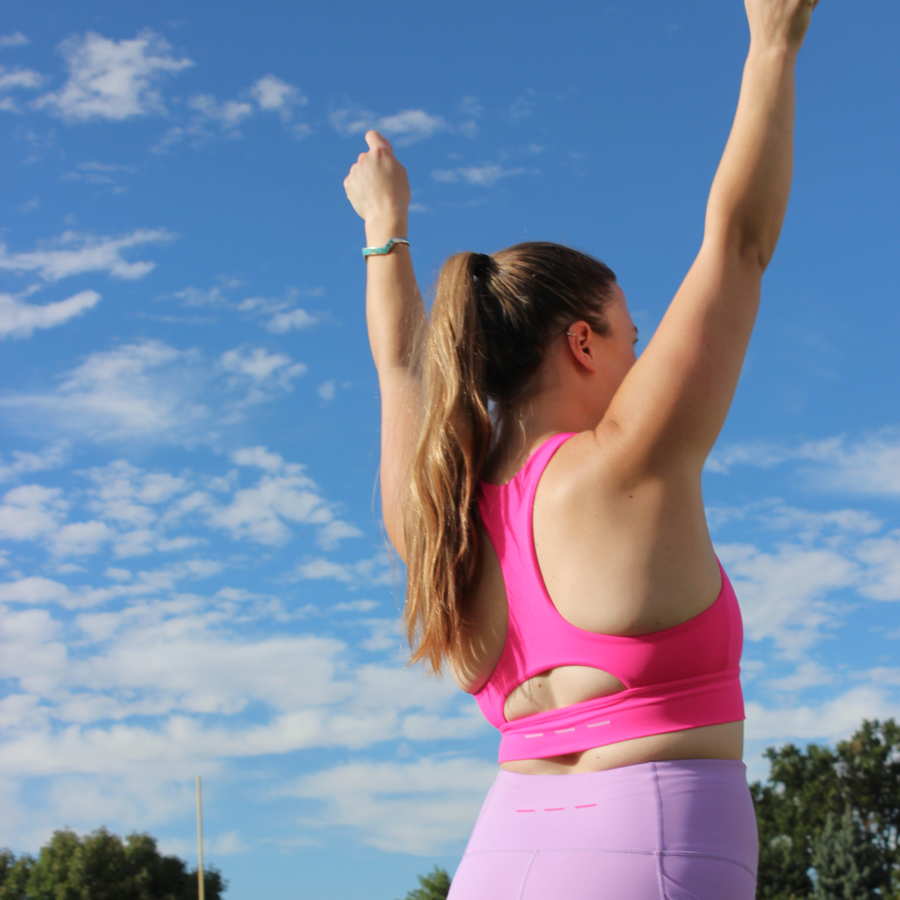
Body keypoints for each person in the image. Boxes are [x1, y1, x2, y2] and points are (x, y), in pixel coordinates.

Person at [343, 1, 818, 896]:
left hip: (498, 856)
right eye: (632, 337)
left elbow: (402, 369)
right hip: (650, 845)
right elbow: (741, 245)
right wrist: (773, 42)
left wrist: (384, 228)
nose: (642, 356)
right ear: (583, 342)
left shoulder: (440, 517)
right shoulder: (627, 459)